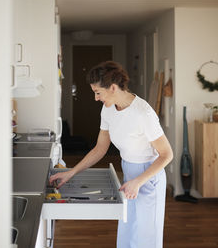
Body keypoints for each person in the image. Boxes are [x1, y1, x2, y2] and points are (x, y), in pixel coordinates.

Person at [49, 61, 173, 248]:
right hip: (129, 173)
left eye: (98, 92)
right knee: (127, 231)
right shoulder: (108, 109)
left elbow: (167, 154)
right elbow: (100, 148)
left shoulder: (143, 113)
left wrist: (138, 181)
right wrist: (71, 171)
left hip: (148, 177)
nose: (96, 98)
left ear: (113, 87)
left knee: (147, 238)